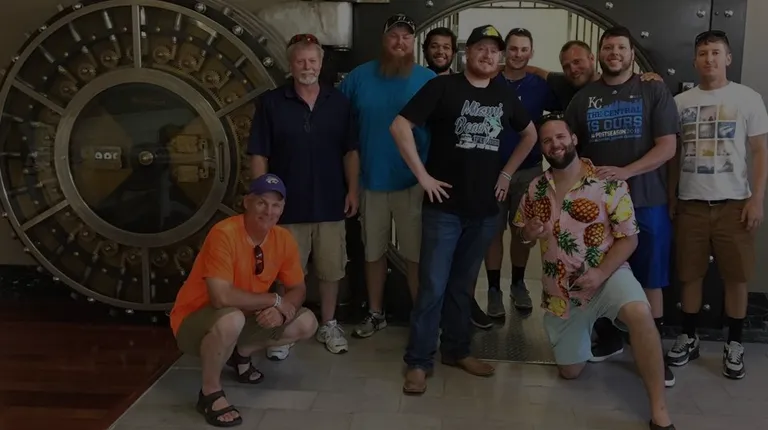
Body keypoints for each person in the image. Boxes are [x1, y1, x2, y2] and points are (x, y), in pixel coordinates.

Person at [390, 24, 537, 394]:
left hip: (484, 210)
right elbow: (400, 126)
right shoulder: (443, 87)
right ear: (467, 53)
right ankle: (419, 361)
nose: (488, 55)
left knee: (462, 286)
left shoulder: (504, 94)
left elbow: (530, 134)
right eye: (481, 48)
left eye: (494, 50)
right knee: (433, 286)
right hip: (444, 209)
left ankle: (457, 351)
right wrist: (423, 176)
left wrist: (507, 173)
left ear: (499, 58)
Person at [513, 114, 675, 430]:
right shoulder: (536, 189)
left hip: (609, 275)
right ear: (542, 148)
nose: (555, 144)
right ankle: (590, 332)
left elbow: (630, 238)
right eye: (547, 140)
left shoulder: (607, 183)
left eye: (560, 136)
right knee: (570, 371)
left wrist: (600, 273)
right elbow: (524, 236)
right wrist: (528, 233)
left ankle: (659, 411)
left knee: (640, 313)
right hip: (561, 293)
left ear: (573, 139)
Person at [565, 26, 678, 387]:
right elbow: (568, 151)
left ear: (631, 54)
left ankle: (654, 354)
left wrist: (626, 172)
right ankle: (611, 338)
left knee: (651, 278)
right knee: (601, 272)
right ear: (599, 54)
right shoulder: (583, 99)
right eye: (608, 47)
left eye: (621, 47)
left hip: (646, 201)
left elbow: (667, 147)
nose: (614, 53)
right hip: (598, 208)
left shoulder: (653, 89)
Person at [169, 174, 318, 428]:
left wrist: (282, 311)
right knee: (231, 318)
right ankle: (210, 393)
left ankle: (240, 354)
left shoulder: (283, 239)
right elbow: (220, 297)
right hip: (195, 321)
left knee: (307, 322)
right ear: (247, 202)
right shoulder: (224, 233)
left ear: (282, 208)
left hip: (243, 317)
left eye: (276, 205)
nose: (269, 211)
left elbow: (298, 288)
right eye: (262, 203)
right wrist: (274, 299)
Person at [248, 34, 359, 356]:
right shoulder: (271, 103)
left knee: (331, 269)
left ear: (321, 64)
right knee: (286, 272)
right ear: (291, 65)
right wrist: (263, 199)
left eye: (312, 60)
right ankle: (283, 330)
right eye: (300, 61)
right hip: (286, 207)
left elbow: (351, 151)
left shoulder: (339, 103)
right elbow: (259, 154)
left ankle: (329, 324)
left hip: (331, 202)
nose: (307, 67)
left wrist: (353, 190)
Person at [667, 30, 768, 380]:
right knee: (689, 274)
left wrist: (757, 199)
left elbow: (760, 151)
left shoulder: (748, 98)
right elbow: (674, 155)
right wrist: (671, 197)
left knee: (737, 276)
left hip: (734, 205)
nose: (709, 59)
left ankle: (734, 343)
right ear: (695, 60)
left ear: (727, 58)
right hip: (691, 204)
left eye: (715, 52)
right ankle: (689, 337)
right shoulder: (680, 103)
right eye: (703, 53)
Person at [340, 14, 436, 339]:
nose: (400, 42)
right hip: (371, 181)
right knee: (373, 252)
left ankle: (421, 320)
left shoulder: (428, 79)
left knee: (415, 255)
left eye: (406, 36)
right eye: (394, 35)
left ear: (414, 42)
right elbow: (339, 123)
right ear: (384, 40)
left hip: (413, 183)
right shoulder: (358, 78)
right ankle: (376, 313)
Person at [473, 27, 561, 323]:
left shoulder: (540, 85)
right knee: (492, 231)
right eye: (513, 49)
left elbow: (572, 90)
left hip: (529, 170)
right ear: (504, 51)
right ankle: (494, 289)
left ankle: (518, 284)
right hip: (490, 171)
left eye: (524, 49)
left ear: (531, 52)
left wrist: (541, 70)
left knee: (524, 231)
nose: (518, 54)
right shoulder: (488, 80)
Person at [526, 40, 662, 109]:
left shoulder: (614, 84)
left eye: (577, 62)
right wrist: (512, 67)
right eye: (566, 66)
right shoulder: (563, 82)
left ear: (592, 58)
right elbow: (537, 71)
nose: (573, 69)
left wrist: (652, 80)